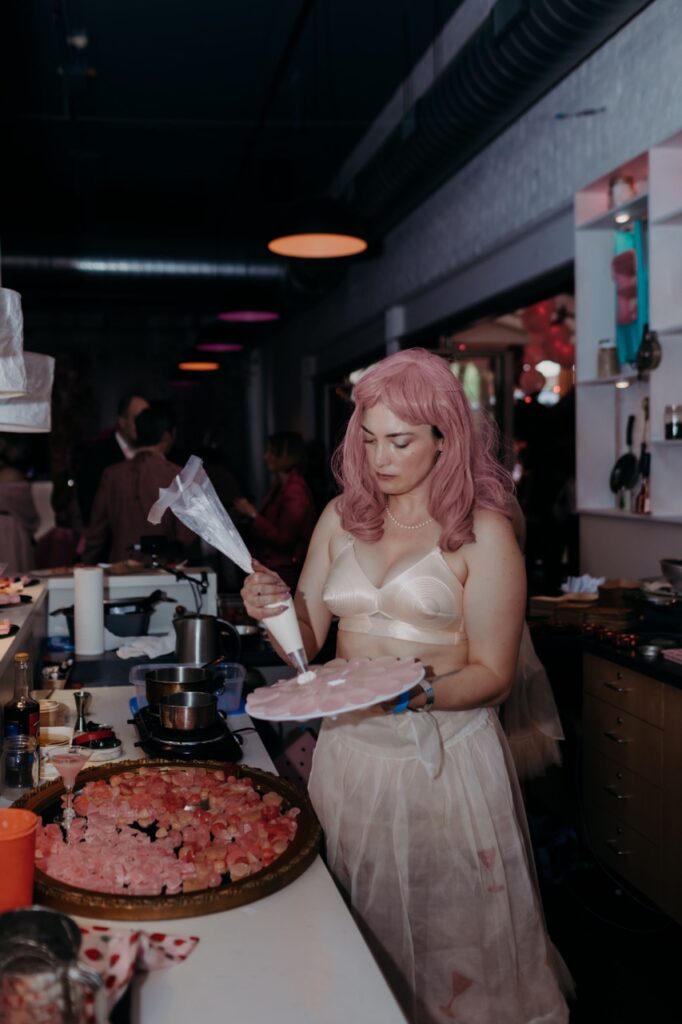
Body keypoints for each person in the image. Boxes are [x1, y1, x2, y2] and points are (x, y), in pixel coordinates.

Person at [241, 349, 569, 1024]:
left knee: (453, 936)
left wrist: (406, 695)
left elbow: (493, 674)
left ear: (444, 438)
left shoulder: (483, 534)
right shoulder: (340, 518)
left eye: (399, 441)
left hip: (442, 761)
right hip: (351, 758)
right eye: (367, 439)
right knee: (358, 923)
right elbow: (304, 642)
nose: (379, 458)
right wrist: (269, 606)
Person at [82, 404, 195, 564]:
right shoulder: (177, 476)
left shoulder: (113, 474)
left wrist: (85, 564)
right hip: (165, 570)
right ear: (167, 436)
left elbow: (96, 533)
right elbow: (186, 535)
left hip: (121, 569)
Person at [234, 431, 317, 590]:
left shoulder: (295, 490)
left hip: (287, 570)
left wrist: (253, 514)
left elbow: (285, 538)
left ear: (285, 455)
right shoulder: (279, 486)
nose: (265, 457)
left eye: (271, 452)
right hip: (275, 566)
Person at [76, 393, 150, 526]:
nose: (143, 425)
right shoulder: (95, 455)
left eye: (147, 420)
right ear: (122, 421)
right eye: (138, 419)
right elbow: (90, 508)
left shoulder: (151, 455)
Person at [0, 434, 39, 573]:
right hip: (12, 534)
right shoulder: (14, 476)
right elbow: (31, 517)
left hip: (11, 535)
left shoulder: (11, 476)